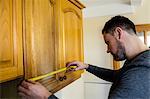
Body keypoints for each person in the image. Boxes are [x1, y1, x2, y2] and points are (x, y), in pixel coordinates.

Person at [18, 16, 150, 99]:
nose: (107, 50)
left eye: (108, 42)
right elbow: (117, 75)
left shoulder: (140, 74)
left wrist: (45, 96)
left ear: (118, 33)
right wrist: (87, 66)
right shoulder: (137, 61)